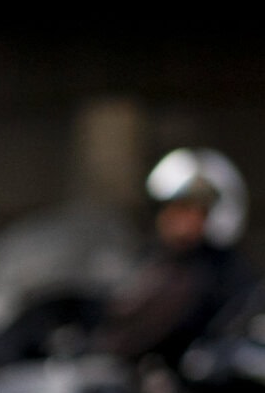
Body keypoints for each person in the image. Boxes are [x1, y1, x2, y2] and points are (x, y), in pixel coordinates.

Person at [106, 148, 257, 369]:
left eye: (187, 208)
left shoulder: (223, 274)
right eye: (169, 208)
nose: (173, 218)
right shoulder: (151, 261)